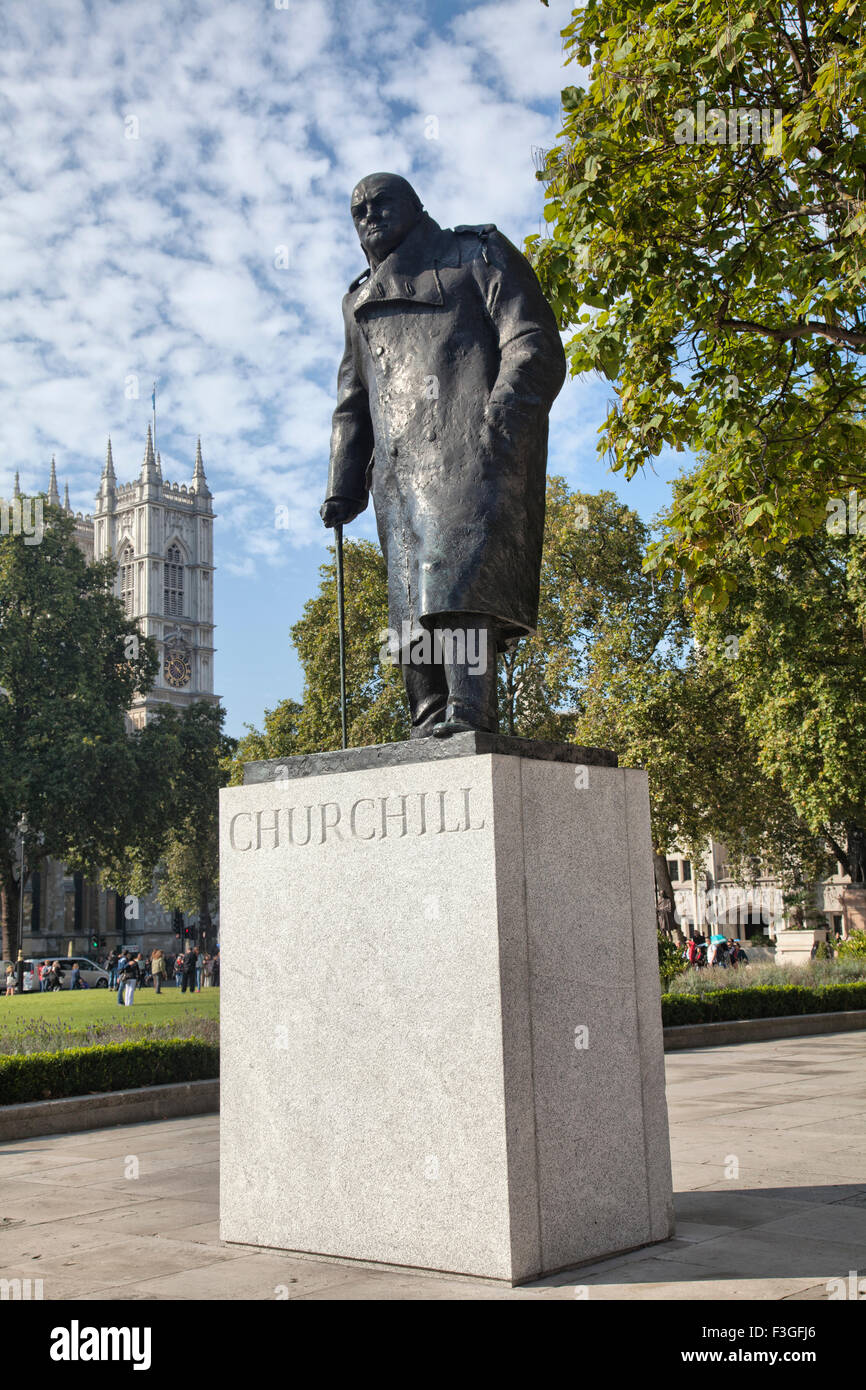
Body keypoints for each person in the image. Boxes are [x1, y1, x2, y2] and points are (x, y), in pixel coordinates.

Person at [321, 172, 567, 736]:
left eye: (383, 204)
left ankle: (469, 711)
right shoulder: (358, 300)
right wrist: (343, 481)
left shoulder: (477, 255)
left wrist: (500, 418)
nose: (370, 218)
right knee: (408, 601)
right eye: (358, 211)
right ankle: (426, 715)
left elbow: (531, 341)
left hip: (469, 446)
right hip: (397, 469)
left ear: (415, 207)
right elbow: (352, 397)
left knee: (456, 583)